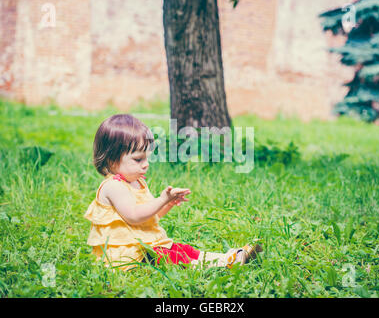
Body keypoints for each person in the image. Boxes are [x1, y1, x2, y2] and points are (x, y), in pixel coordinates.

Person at [84, 114, 262, 271]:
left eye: (147, 157)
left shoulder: (136, 182)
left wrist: (166, 204)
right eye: (138, 159)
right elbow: (134, 216)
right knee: (172, 258)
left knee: (182, 249)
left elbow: (148, 218)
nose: (146, 164)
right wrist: (161, 198)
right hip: (128, 256)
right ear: (111, 159)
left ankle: (230, 256)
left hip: (145, 246)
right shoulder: (113, 187)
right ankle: (224, 264)